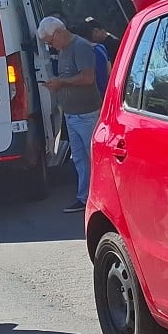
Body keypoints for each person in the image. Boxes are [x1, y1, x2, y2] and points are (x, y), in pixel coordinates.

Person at [37, 16, 103, 214]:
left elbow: (88, 78)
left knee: (93, 158)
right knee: (80, 160)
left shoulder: (80, 46)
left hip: (86, 113)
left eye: (50, 42)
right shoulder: (65, 48)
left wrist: (61, 83)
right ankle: (85, 197)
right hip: (72, 113)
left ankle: (98, 198)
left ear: (58, 32)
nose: (52, 46)